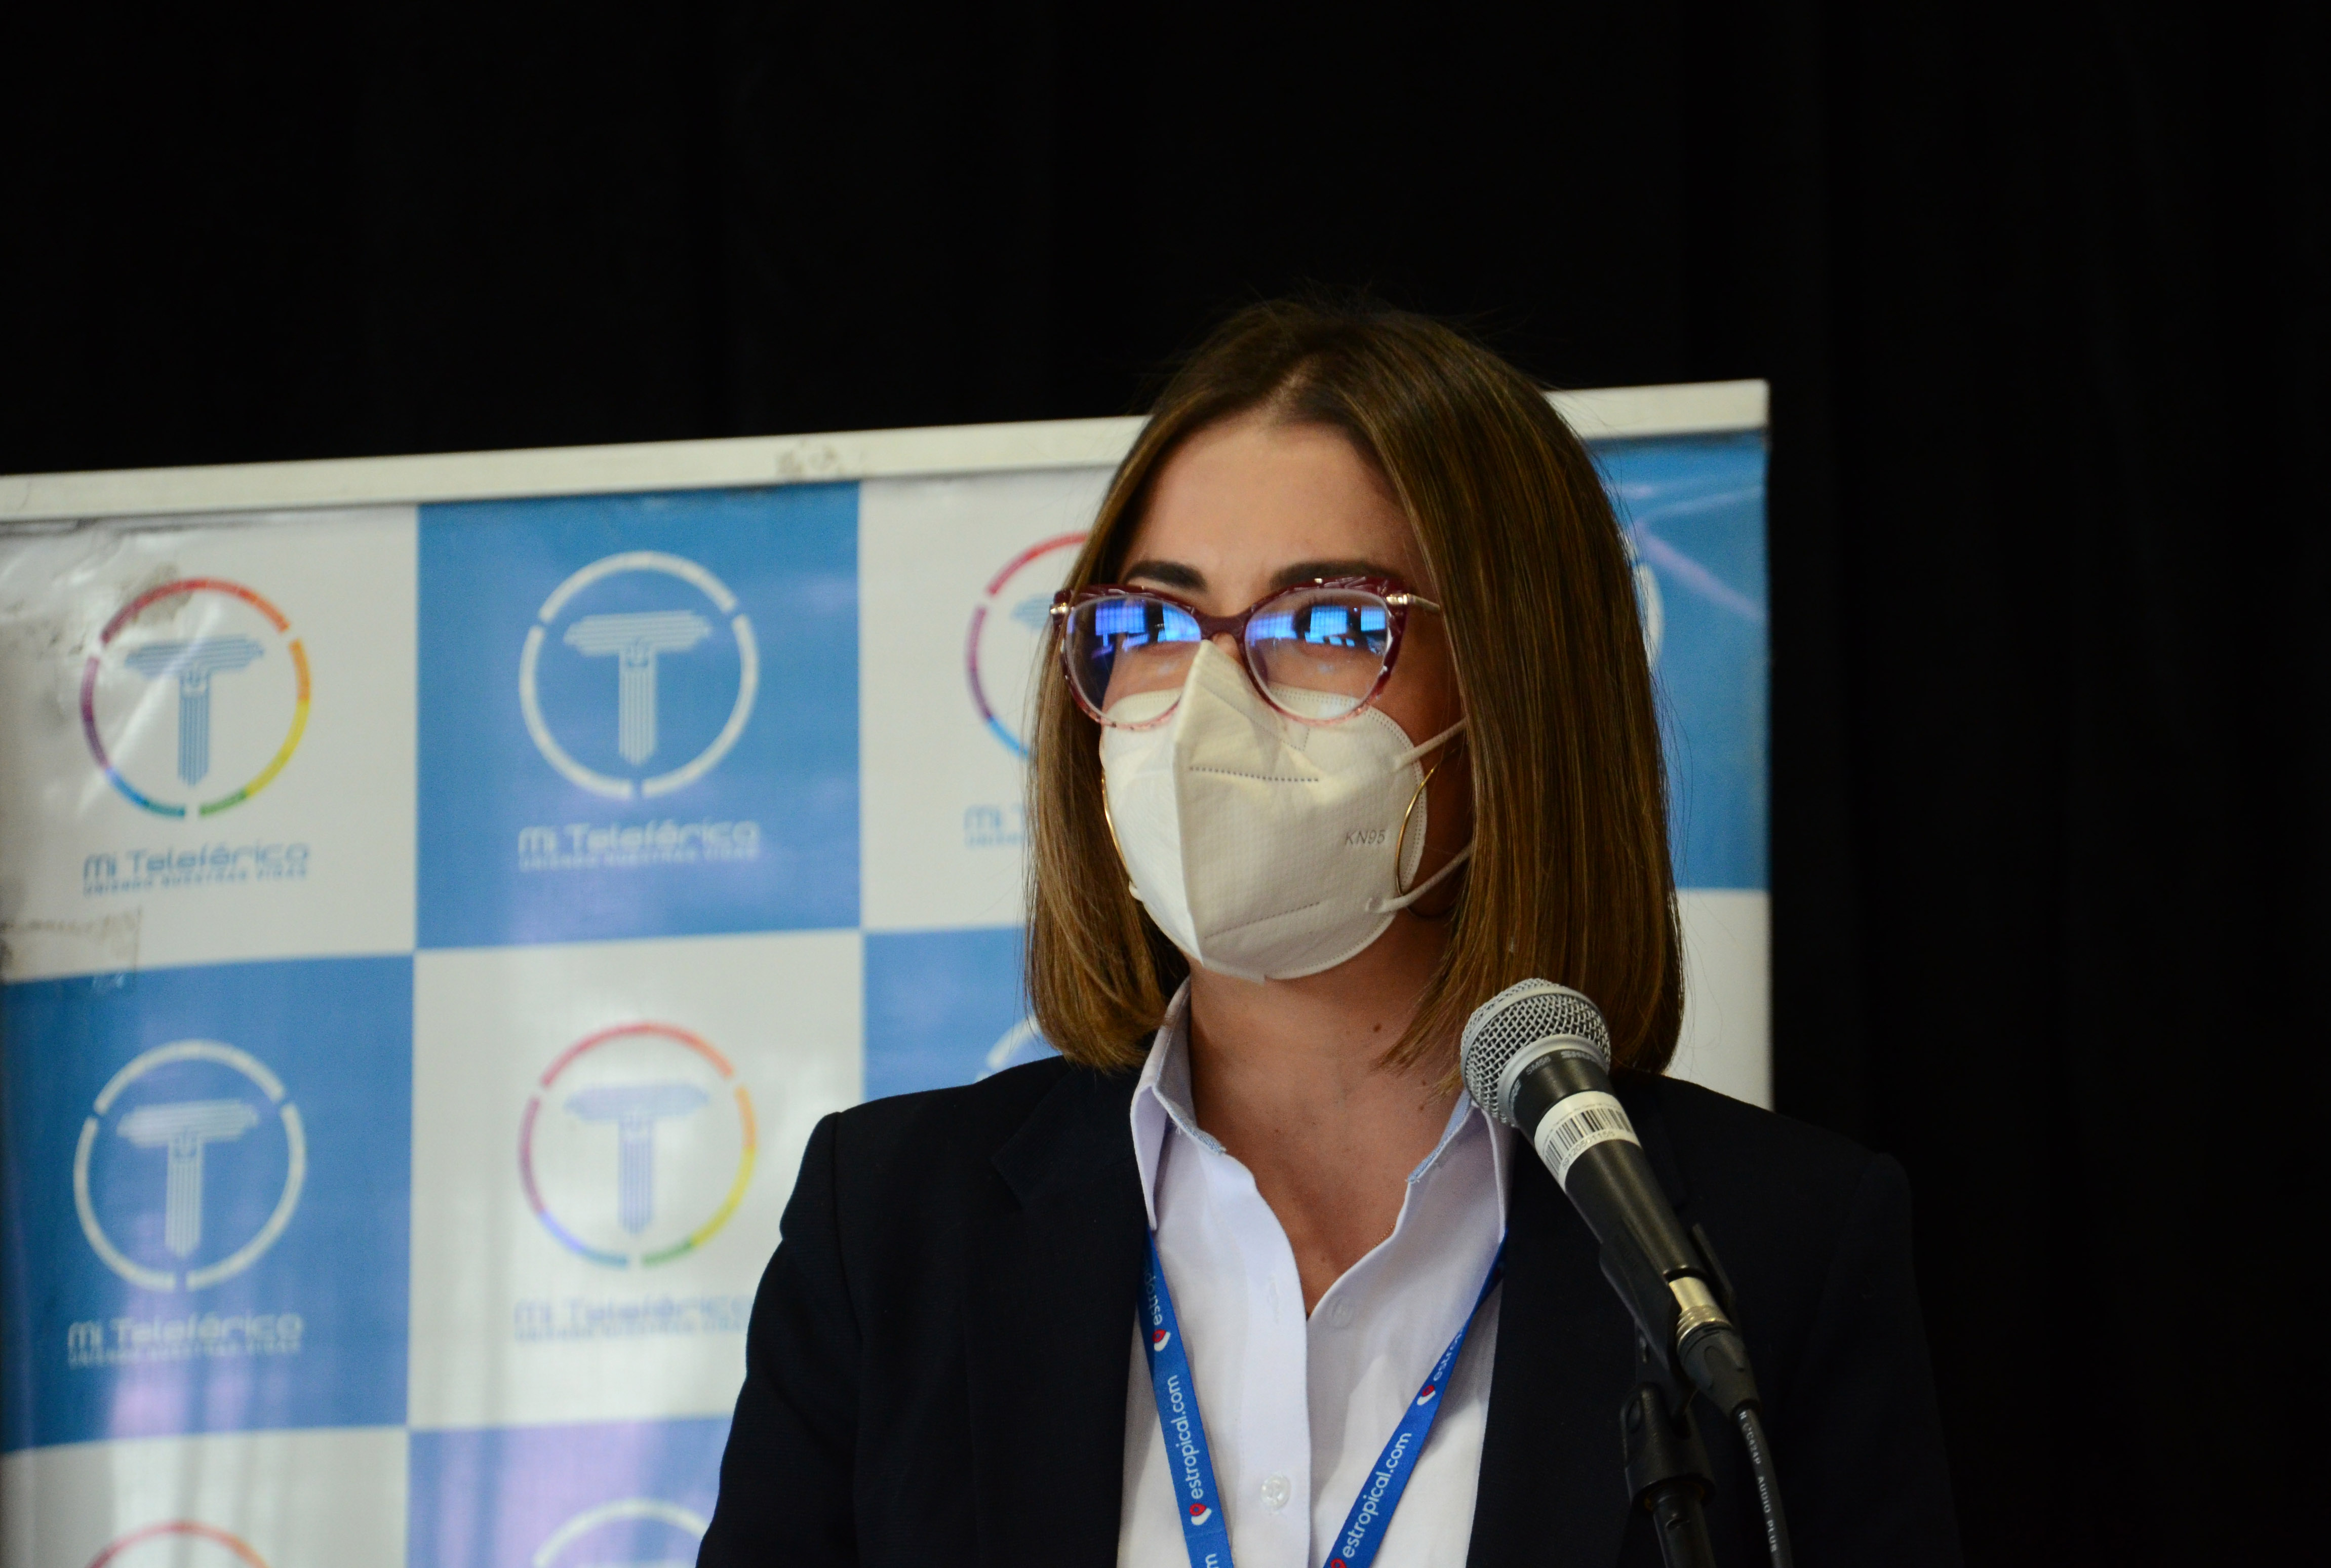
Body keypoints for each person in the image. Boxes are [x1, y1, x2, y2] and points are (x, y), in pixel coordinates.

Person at [699, 300, 1961, 1566]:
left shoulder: (1777, 1257)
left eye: (1330, 623)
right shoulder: (892, 1226)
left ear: (1516, 685)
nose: (1207, 704)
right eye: (1153, 624)